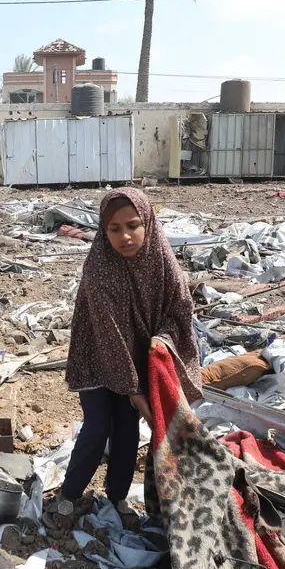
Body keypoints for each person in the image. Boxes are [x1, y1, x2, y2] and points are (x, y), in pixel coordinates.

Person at [59, 188, 201, 509]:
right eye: (114, 229)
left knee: (127, 432)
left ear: (148, 223)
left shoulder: (162, 261)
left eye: (133, 225)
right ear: (103, 230)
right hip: (96, 361)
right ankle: (69, 494)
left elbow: (179, 309)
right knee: (97, 427)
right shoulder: (98, 268)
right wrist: (134, 392)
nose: (125, 236)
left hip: (137, 361)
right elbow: (108, 335)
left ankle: (118, 496)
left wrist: (161, 339)